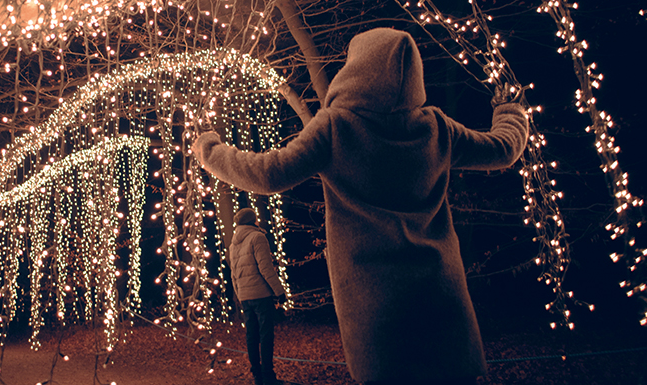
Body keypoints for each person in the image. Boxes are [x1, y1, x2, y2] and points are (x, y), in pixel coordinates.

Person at [193, 28, 529, 385]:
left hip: (377, 306)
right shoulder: (435, 128)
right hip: (442, 296)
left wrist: (210, 150)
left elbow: (268, 174)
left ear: (356, 70)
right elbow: (503, 149)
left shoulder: (337, 127)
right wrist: (510, 111)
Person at [228, 207, 287, 385]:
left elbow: (233, 273)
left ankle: (257, 376)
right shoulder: (257, 237)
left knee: (251, 335)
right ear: (253, 220)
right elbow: (265, 268)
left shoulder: (233, 243)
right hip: (261, 294)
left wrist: (239, 295)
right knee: (265, 335)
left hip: (245, 296)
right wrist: (279, 291)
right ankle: (268, 376)